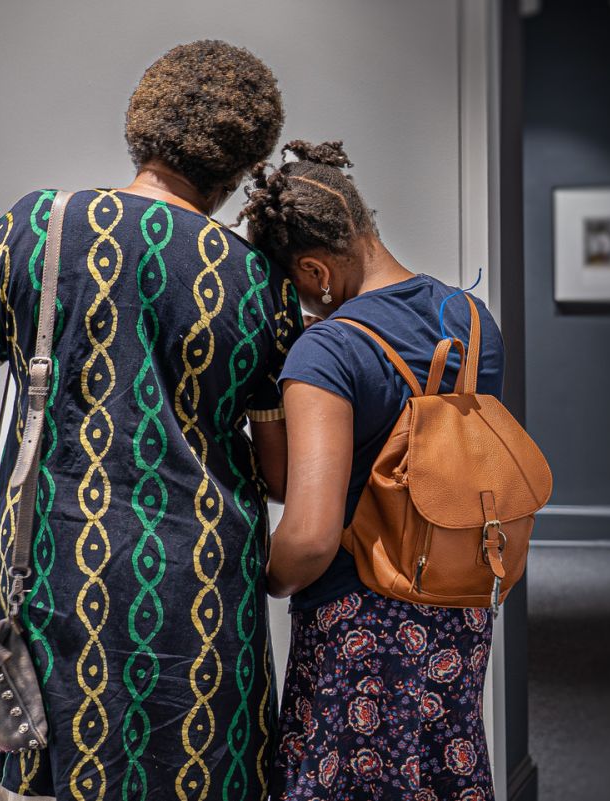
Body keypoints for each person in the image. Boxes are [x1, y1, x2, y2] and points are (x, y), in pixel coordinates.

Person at [0, 41, 297, 801]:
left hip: (52, 580)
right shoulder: (260, 281)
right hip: (202, 597)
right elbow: (282, 474)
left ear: (141, 127)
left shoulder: (42, 224)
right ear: (239, 166)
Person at [240, 140, 504, 800]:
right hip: (459, 607)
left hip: (359, 623)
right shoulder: (471, 319)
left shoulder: (326, 350)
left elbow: (308, 536)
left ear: (311, 268)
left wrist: (257, 581)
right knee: (441, 763)